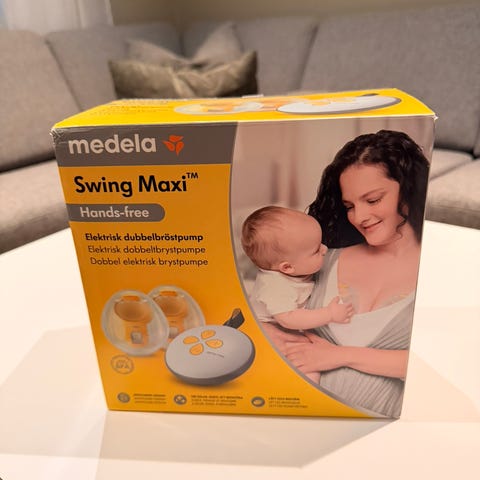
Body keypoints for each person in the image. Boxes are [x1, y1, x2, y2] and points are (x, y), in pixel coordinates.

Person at [260, 129, 430, 417]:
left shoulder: (434, 267)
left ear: (408, 189)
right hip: (293, 415)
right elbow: (262, 310)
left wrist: (339, 356)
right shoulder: (321, 260)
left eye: (373, 200)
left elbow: (436, 363)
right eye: (350, 206)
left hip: (383, 431)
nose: (359, 217)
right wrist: (272, 334)